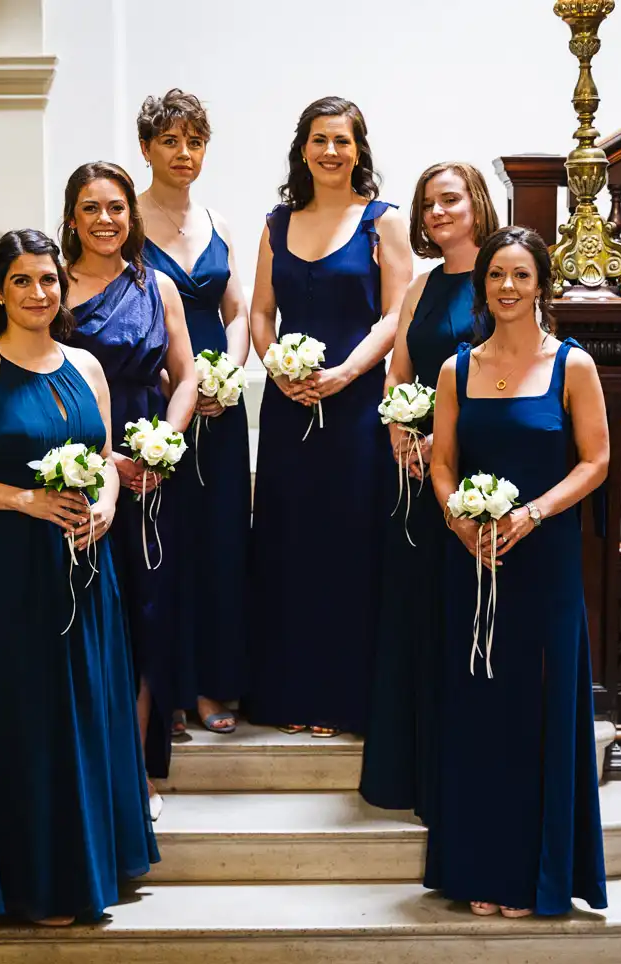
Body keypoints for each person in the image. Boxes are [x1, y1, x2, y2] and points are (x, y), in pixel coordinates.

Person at [0, 229, 157, 925]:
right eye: (22, 281)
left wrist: (110, 504)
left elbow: (108, 455)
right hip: (4, 570)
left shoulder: (86, 366)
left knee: (84, 708)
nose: (37, 293)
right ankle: (29, 881)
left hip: (85, 564)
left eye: (48, 280)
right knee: (21, 715)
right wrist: (20, 497)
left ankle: (91, 863)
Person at [423, 226, 609, 919]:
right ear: (484, 284)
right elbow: (443, 464)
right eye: (496, 275)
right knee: (479, 714)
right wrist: (457, 519)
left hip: (545, 560)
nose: (507, 287)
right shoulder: (455, 369)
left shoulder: (574, 365)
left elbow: (595, 462)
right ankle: (479, 867)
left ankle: (537, 874)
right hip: (473, 560)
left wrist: (532, 515)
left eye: (521, 276)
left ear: (541, 286)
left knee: (538, 711)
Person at [245, 96, 413, 738]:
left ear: (359, 150)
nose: (331, 152)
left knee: (351, 544)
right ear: (303, 148)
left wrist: (345, 374)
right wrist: (276, 367)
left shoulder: (383, 221)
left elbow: (396, 315)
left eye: (342, 141)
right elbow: (262, 313)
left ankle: (347, 700)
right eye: (319, 140)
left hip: (357, 410)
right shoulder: (275, 223)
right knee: (289, 543)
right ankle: (288, 694)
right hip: (290, 409)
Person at [359, 163, 498, 819]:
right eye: (428, 203)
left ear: (478, 204)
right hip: (415, 480)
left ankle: (464, 774)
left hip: (480, 476)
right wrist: (398, 435)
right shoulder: (417, 288)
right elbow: (398, 374)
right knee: (415, 617)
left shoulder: (503, 278)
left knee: (466, 620)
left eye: (451, 199)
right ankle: (408, 774)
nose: (438, 212)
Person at [61, 162, 198, 818]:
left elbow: (188, 375)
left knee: (148, 616)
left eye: (117, 207)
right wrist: (105, 459)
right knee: (93, 620)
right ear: (72, 219)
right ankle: (90, 766)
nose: (106, 219)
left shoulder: (158, 287)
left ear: (130, 216)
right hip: (78, 468)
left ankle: (139, 773)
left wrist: (163, 445)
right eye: (92, 208)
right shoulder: (50, 290)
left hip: (151, 476)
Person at [137, 89, 250, 738]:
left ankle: (215, 684)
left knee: (222, 543)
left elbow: (235, 312)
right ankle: (169, 689)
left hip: (223, 407)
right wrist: (179, 380)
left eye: (195, 141)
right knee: (166, 545)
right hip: (158, 402)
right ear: (148, 147)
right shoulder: (128, 225)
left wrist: (229, 371)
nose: (185, 154)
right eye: (172, 141)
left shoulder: (218, 223)